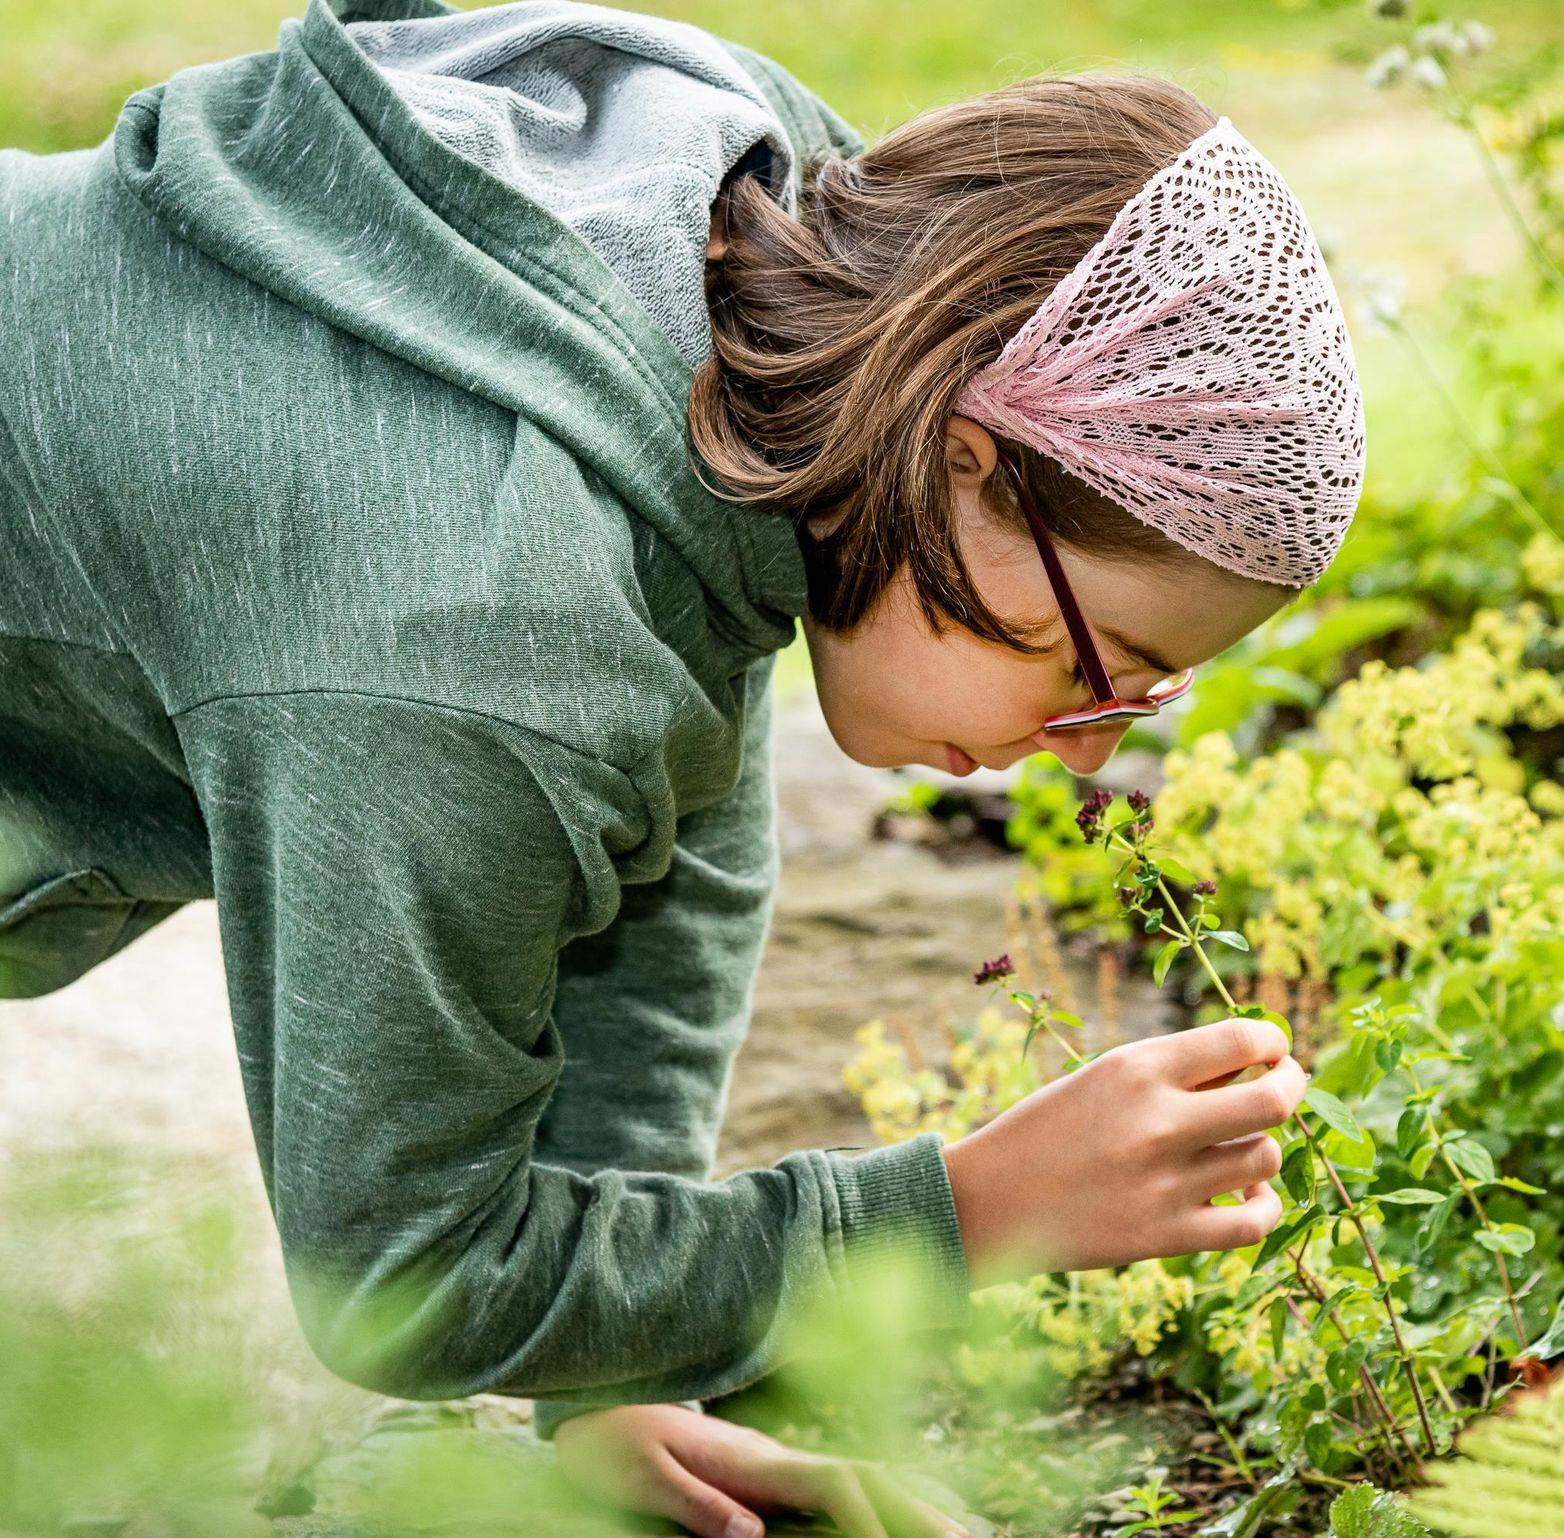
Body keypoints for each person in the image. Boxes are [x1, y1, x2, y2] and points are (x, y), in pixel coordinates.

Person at [0, 0, 1366, 1531]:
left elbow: (676, 795)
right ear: (964, 457)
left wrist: (621, 1363)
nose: (1092, 745)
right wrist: (960, 1212)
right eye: (1097, 660)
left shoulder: (758, 257)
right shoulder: (483, 625)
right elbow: (405, 1271)